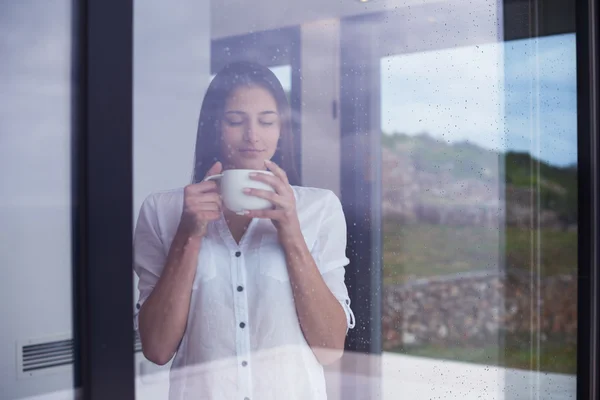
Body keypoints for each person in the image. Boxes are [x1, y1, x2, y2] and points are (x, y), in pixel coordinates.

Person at [133, 61, 355, 400]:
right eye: (236, 121)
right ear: (213, 127)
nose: (252, 135)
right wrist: (188, 236)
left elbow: (330, 349)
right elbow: (158, 349)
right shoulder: (162, 210)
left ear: (281, 130)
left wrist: (291, 232)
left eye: (266, 121)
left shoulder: (319, 209)